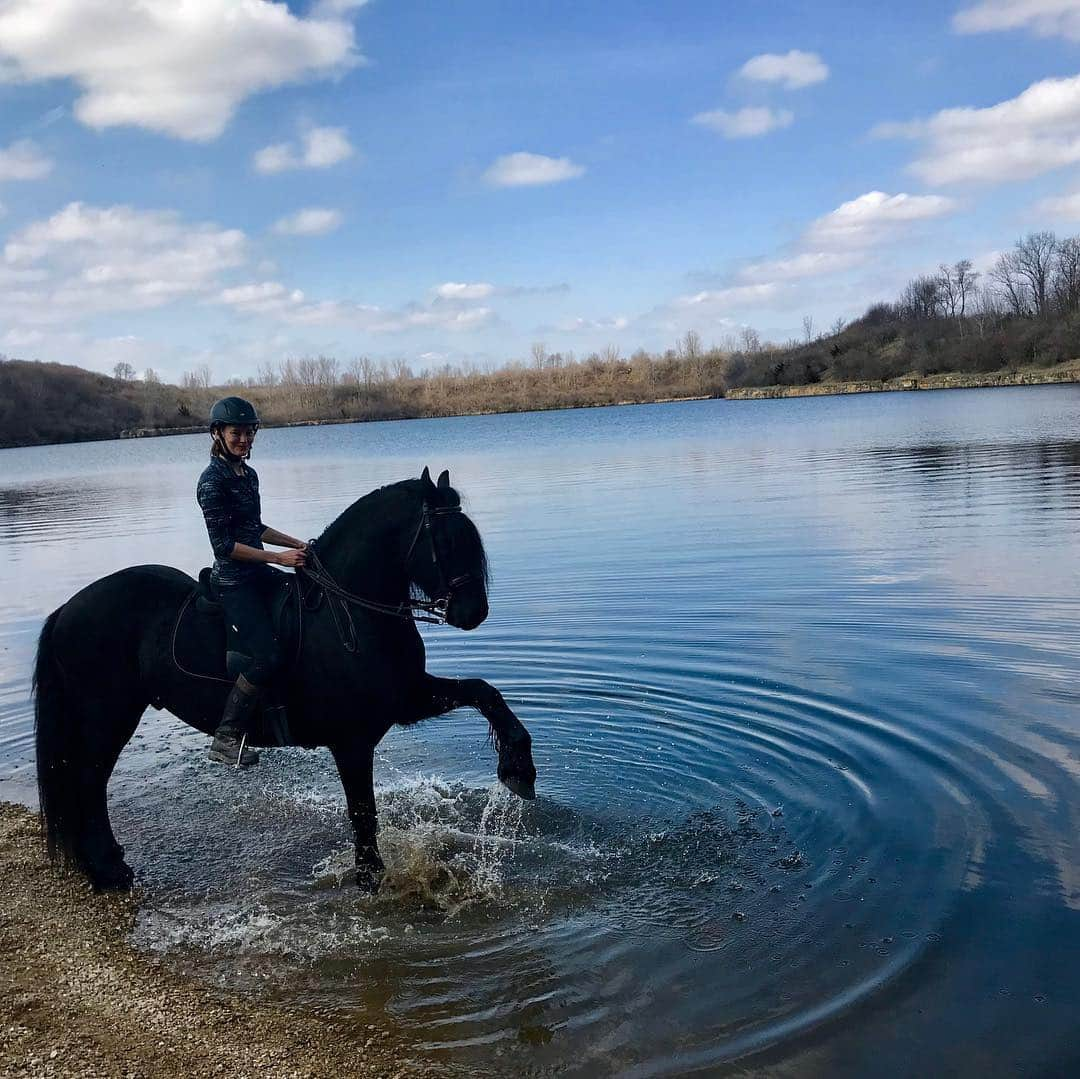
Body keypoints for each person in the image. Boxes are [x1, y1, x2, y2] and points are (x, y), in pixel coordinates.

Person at [196, 396, 307, 767]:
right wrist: (278, 558)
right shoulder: (211, 482)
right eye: (235, 433)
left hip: (258, 571)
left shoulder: (248, 474)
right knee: (266, 656)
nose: (243, 439)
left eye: (248, 432)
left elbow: (253, 527)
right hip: (234, 582)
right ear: (217, 434)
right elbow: (224, 545)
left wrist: (297, 544)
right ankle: (226, 738)